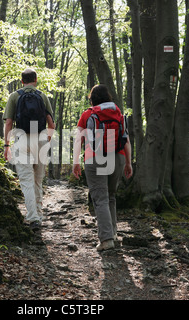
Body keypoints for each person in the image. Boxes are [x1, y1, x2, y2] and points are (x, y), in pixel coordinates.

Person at [72, 84, 132, 251]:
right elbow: (126, 139)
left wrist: (76, 162)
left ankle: (106, 240)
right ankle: (112, 234)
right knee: (111, 196)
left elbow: (79, 139)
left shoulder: (88, 114)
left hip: (95, 157)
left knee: (100, 198)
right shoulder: (118, 113)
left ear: (92, 99)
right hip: (118, 156)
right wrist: (128, 162)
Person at [3, 68, 55, 231]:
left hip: (21, 139)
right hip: (40, 139)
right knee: (38, 181)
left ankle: (33, 218)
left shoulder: (14, 96)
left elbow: (9, 123)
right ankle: (38, 214)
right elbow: (52, 125)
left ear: (22, 81)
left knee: (26, 180)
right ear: (36, 79)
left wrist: (6, 145)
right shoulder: (42, 96)